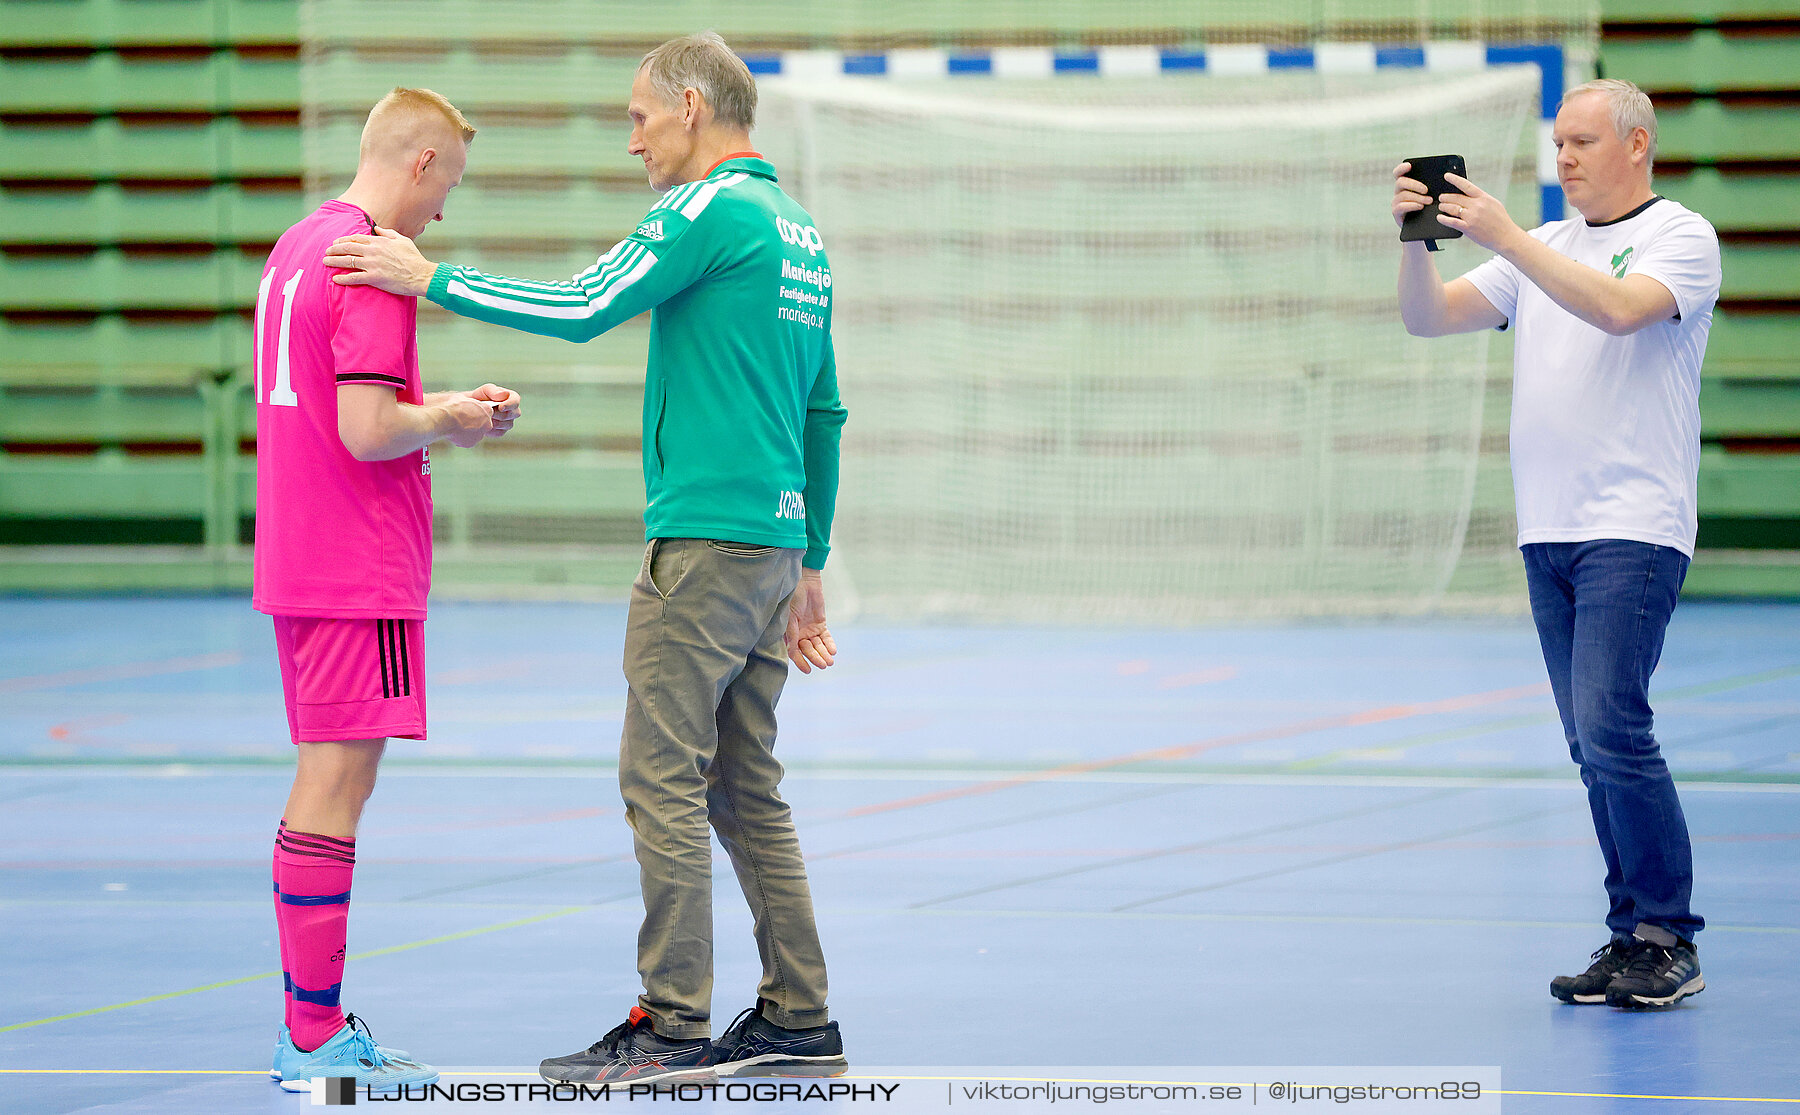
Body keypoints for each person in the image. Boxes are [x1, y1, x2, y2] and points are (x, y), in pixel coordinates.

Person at [324, 33, 849, 1083]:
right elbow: (822, 408)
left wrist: (431, 278)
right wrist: (811, 556)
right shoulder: (800, 232)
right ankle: (799, 1011)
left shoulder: (706, 211)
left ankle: (673, 1021)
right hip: (769, 542)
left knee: (661, 774)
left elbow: (582, 306)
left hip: (701, 543)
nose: (631, 141)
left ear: (693, 106)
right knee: (748, 785)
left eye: (640, 117)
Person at [1394, 78, 1717, 1009]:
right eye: (1559, 143)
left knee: (1615, 724)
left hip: (1634, 524)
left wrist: (1509, 238)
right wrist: (1422, 243)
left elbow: (1619, 310)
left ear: (1638, 144)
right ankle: (1632, 937)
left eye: (1582, 141)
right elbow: (1429, 317)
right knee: (1588, 741)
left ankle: (1668, 934)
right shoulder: (1544, 249)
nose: (1565, 158)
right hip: (1550, 527)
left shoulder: (1680, 237)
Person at [253, 87, 522, 1091]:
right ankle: (311, 1036)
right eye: (450, 181)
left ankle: (310, 1026)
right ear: (420, 163)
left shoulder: (294, 246)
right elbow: (368, 431)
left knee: (332, 778)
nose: (445, 210)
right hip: (355, 561)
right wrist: (452, 414)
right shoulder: (372, 261)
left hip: (298, 550)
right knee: (334, 783)